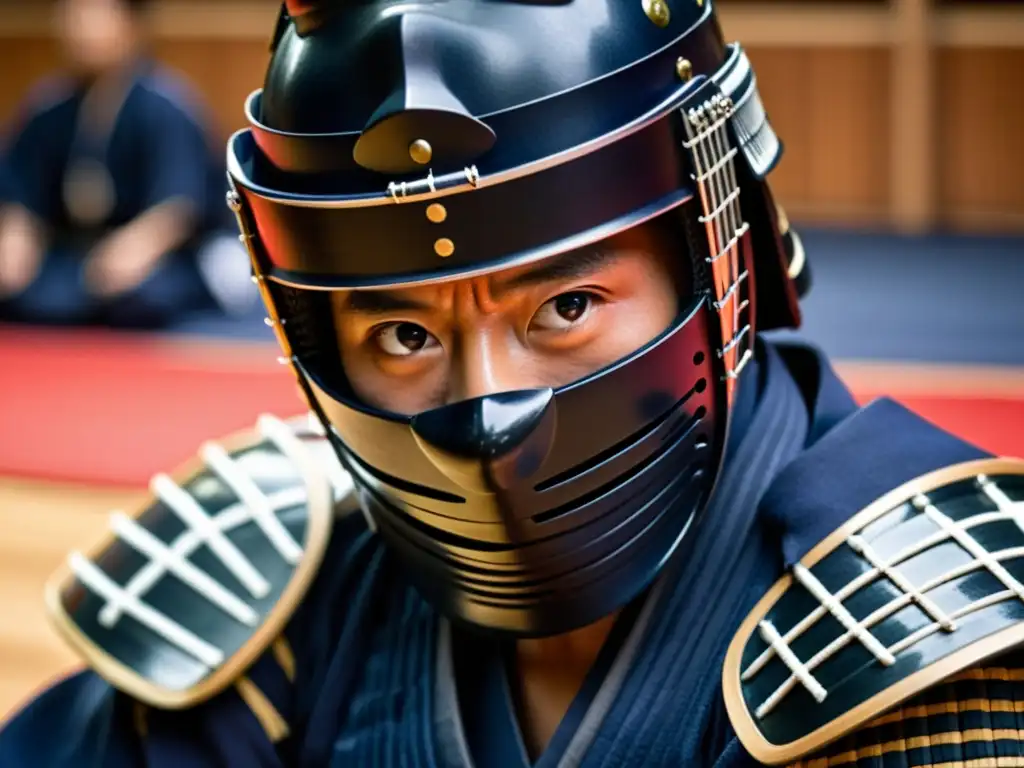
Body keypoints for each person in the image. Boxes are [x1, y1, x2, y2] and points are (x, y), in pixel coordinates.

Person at [2, 1, 1023, 765]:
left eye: (566, 306)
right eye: (403, 331)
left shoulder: (927, 631)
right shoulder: (288, 586)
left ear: (716, 251)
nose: (485, 413)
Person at [0, 0, 251, 329]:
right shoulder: (48, 106)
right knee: (27, 291)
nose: (80, 28)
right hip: (76, 255)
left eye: (94, 14)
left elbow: (177, 208)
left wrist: (133, 251)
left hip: (160, 258)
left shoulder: (167, 105)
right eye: (72, 14)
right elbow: (22, 196)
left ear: (131, 24)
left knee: (142, 298)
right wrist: (16, 240)